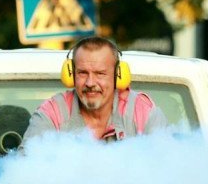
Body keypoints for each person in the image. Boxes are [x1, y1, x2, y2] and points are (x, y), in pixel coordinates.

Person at [24, 36, 167, 142]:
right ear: (71, 75)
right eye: (82, 73)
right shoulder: (52, 113)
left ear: (118, 75)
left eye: (100, 73)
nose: (90, 83)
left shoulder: (143, 112)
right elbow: (28, 165)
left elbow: (165, 165)